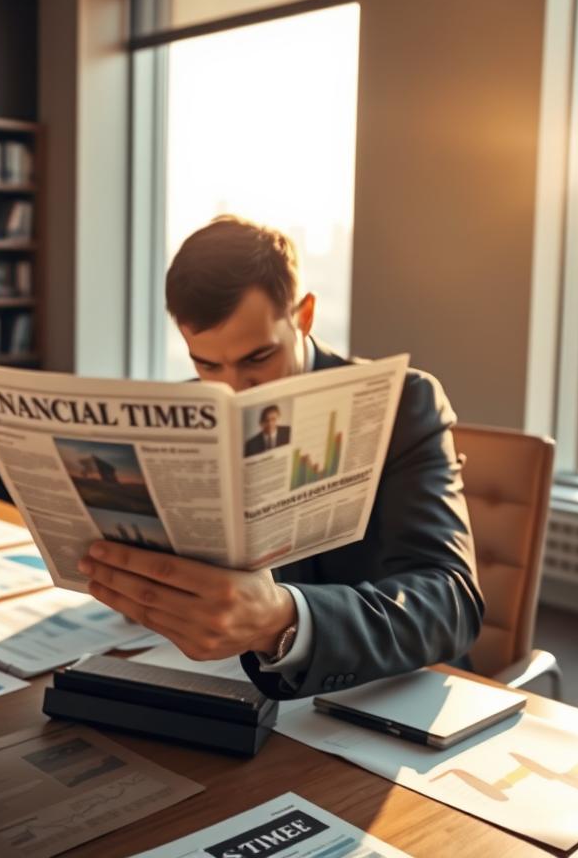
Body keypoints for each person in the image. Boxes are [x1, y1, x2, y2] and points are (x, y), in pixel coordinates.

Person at [77, 216, 484, 699]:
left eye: (257, 358)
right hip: (233, 683)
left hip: (386, 693)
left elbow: (449, 604)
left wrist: (282, 620)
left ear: (304, 315)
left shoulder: (403, 404)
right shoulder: (188, 418)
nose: (232, 389)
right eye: (206, 364)